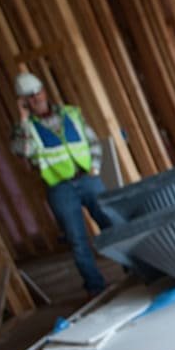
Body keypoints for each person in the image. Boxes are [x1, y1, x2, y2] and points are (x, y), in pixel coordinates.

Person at [10, 72, 113, 296]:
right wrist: (24, 120)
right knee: (77, 239)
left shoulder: (71, 113)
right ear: (24, 102)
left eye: (37, 93)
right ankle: (96, 287)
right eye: (29, 97)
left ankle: (134, 268)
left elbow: (93, 141)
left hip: (87, 179)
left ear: (44, 91)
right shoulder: (25, 130)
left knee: (111, 224)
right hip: (60, 189)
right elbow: (23, 151)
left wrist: (95, 168)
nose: (36, 99)